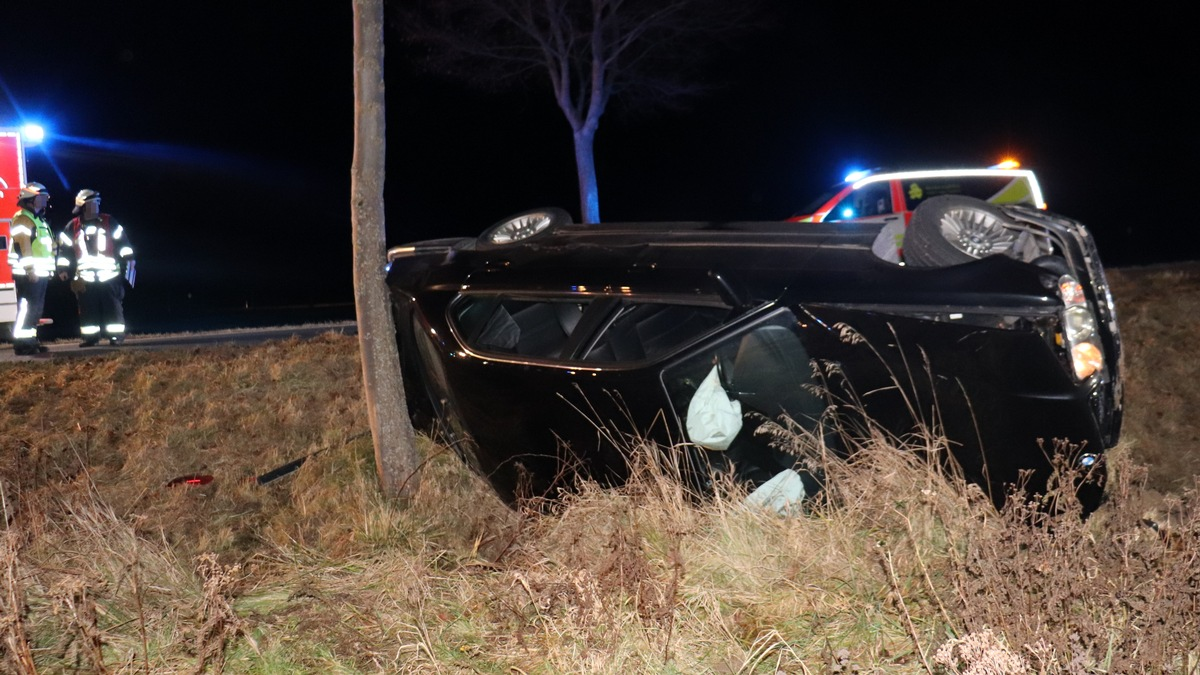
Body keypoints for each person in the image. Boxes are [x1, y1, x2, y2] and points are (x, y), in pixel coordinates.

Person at [56, 189, 135, 346]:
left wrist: (129, 259)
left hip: (109, 275)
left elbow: (123, 242)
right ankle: (90, 338)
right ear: (83, 206)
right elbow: (64, 251)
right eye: (93, 203)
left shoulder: (109, 221)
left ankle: (116, 336)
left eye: (98, 202)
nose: (97, 205)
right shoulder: (73, 226)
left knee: (113, 307)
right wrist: (62, 270)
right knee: (87, 309)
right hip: (85, 277)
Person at [8, 182, 55, 355]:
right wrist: (29, 270)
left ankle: (30, 341)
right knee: (27, 308)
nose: (45, 199)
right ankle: (21, 343)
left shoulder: (38, 219)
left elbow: (46, 248)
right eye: (41, 197)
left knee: (35, 310)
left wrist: (49, 270)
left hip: (39, 272)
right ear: (31, 199)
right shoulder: (23, 219)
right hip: (28, 273)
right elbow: (23, 247)